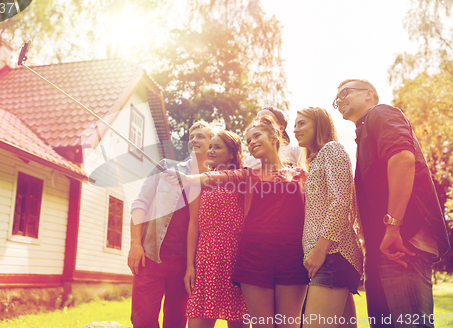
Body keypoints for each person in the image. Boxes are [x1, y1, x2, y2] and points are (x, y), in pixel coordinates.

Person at [163, 116, 309, 328]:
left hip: (292, 258)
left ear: (275, 136)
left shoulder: (300, 175)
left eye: (257, 136)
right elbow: (215, 177)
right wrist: (187, 179)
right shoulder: (247, 175)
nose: (252, 142)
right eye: (249, 140)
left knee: (289, 325)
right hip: (255, 260)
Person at [333, 79, 450, 328]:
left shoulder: (381, 113)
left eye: (345, 93)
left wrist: (393, 226)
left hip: (402, 243)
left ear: (369, 94)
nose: (339, 100)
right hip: (384, 247)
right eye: (336, 100)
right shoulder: (364, 133)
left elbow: (402, 159)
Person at [128, 120, 216, 328]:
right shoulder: (166, 167)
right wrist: (135, 244)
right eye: (191, 135)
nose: (193, 139)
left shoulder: (216, 180)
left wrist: (192, 265)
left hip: (186, 263)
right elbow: (140, 203)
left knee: (175, 322)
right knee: (142, 319)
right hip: (151, 255)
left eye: (200, 136)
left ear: (213, 141)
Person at [293, 107, 363, 328]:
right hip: (329, 258)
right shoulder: (315, 161)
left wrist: (319, 250)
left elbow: (340, 203)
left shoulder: (332, 150)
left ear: (319, 124)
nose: (296, 130)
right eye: (295, 125)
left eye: (302, 123)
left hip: (332, 255)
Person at [185, 130, 248, 328]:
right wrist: (190, 265)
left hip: (235, 257)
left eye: (217, 147)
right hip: (206, 256)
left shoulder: (244, 180)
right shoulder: (201, 181)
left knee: (238, 321)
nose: (210, 151)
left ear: (232, 154)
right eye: (210, 146)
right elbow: (193, 223)